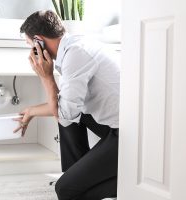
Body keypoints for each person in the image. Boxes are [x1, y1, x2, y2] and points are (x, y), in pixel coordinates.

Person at [13, 10, 120, 200]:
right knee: (71, 115)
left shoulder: (76, 54)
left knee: (66, 190)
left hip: (128, 135)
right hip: (117, 125)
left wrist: (46, 77)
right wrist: (31, 111)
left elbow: (63, 115)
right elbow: (66, 108)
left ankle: (120, 182)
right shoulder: (74, 46)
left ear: (39, 40)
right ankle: (77, 174)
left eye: (30, 45)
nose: (30, 51)